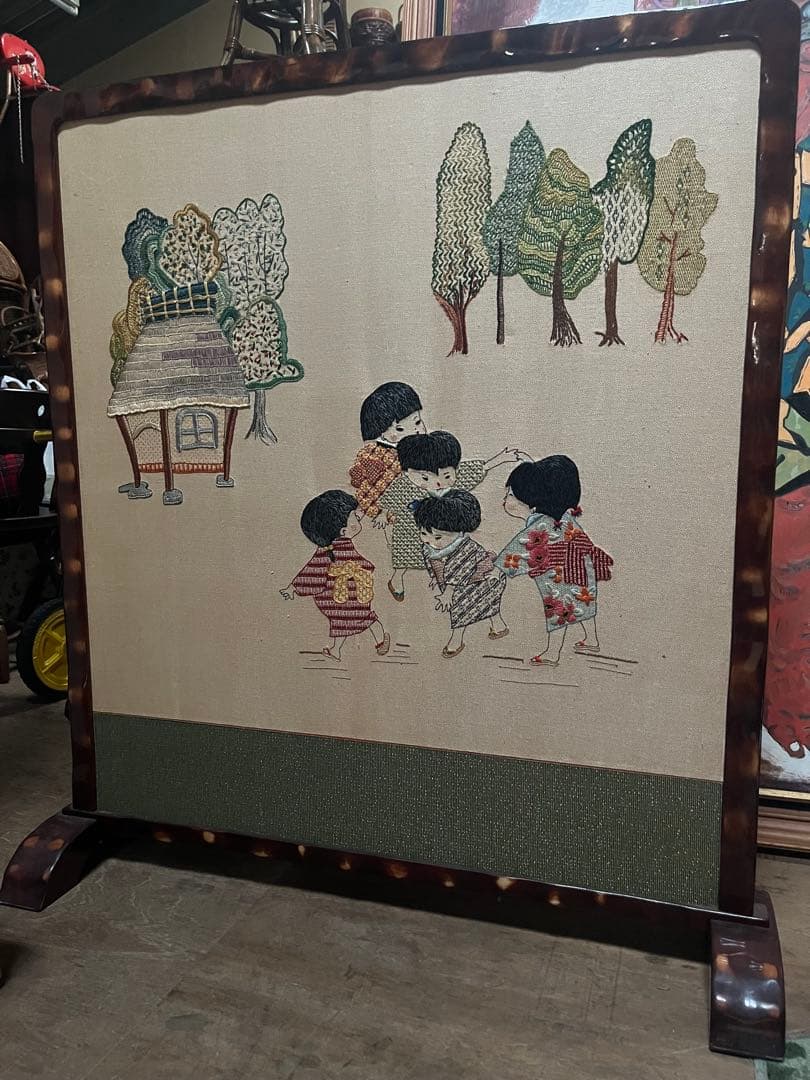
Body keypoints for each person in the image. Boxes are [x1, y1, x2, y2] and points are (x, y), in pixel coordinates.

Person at [378, 431, 528, 601]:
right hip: (410, 529)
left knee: (445, 555)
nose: (438, 482)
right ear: (407, 473)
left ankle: (440, 579)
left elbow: (475, 470)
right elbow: (388, 500)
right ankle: (397, 579)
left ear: (455, 469)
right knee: (405, 557)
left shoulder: (456, 481)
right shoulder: (403, 486)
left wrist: (501, 458)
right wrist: (382, 515)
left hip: (441, 531)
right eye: (425, 477)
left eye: (447, 476)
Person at [495, 456, 613, 666]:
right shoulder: (564, 519)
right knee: (583, 603)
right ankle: (592, 640)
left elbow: (520, 551)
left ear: (532, 502)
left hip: (561, 575)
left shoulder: (542, 526)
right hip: (581, 569)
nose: (505, 500)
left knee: (559, 610)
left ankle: (552, 653)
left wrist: (498, 567)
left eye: (510, 495)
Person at [282, 489, 390, 660]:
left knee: (344, 623)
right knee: (363, 618)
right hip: (343, 594)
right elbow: (312, 572)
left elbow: (313, 573)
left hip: (350, 594)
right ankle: (379, 641)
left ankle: (337, 650)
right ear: (344, 531)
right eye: (355, 517)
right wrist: (294, 588)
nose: (359, 517)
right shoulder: (326, 552)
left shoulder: (334, 545)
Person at [414, 489, 508, 659]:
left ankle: (457, 640)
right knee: (483, 606)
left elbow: (458, 572)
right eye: (424, 534)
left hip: (480, 582)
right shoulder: (431, 548)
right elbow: (434, 565)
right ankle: (498, 626)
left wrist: (447, 592)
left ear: (460, 533)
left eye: (438, 537)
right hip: (463, 582)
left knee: (461, 608)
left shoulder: (466, 548)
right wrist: (436, 577)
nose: (429, 541)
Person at [348, 382, 426, 519]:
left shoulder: (424, 449)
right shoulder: (376, 455)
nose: (416, 431)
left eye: (418, 422)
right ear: (381, 433)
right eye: (400, 429)